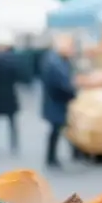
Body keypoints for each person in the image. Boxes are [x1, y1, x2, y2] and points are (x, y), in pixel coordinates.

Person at [39, 34, 78, 167]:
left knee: (59, 129)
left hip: (55, 101)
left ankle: (59, 156)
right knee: (57, 129)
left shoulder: (57, 60)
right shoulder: (55, 63)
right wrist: (72, 92)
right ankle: (52, 158)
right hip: (55, 102)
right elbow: (62, 84)